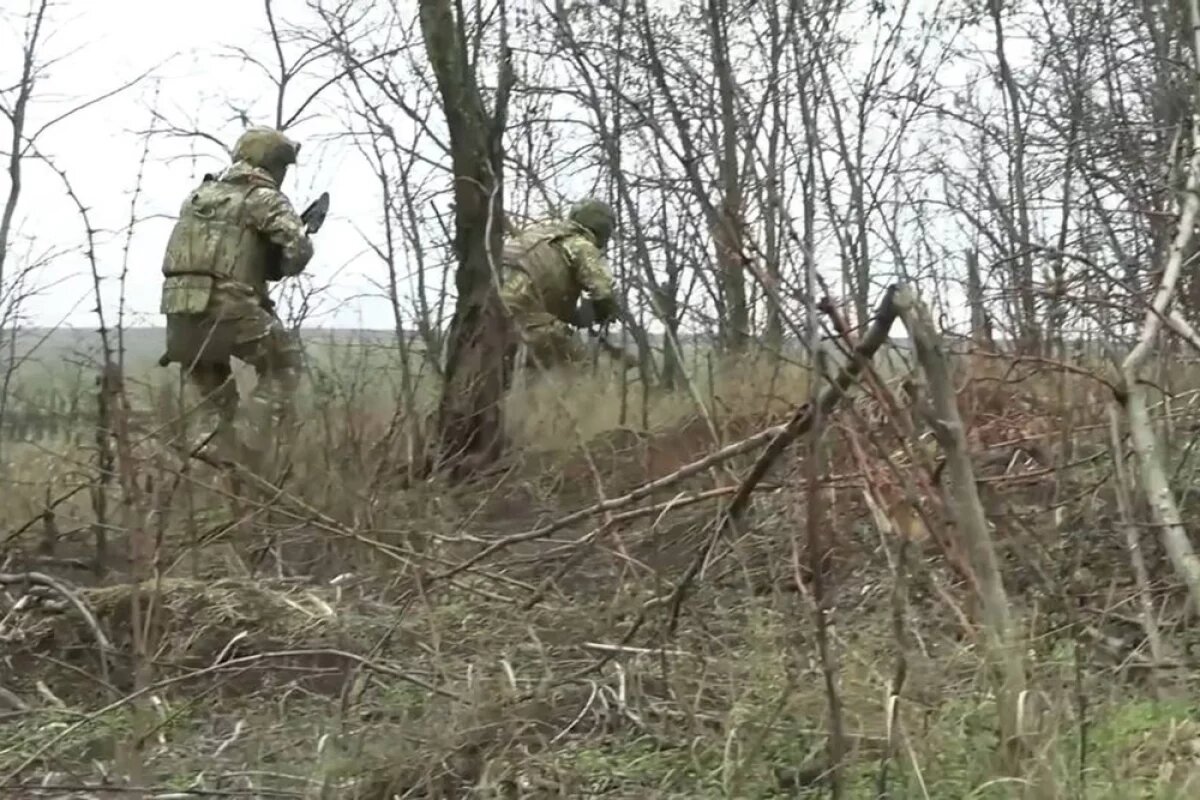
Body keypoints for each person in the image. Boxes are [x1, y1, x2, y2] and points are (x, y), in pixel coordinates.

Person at [158, 126, 314, 464]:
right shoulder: (264, 198)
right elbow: (297, 252)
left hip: (179, 311)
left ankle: (211, 451)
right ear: (273, 164)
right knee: (284, 364)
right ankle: (249, 440)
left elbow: (219, 252)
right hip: (229, 307)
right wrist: (294, 246)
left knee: (211, 388)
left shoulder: (198, 196)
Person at [499, 198, 633, 370]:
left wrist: (576, 316)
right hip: (521, 318)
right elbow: (603, 290)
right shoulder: (580, 244)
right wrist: (608, 307)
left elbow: (538, 283)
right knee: (577, 361)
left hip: (485, 310)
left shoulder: (538, 235)